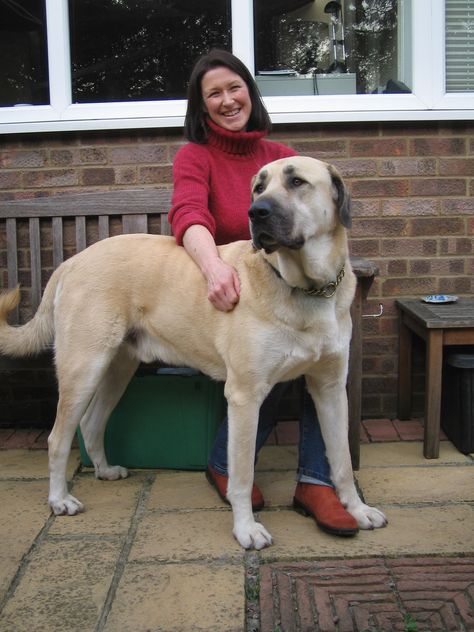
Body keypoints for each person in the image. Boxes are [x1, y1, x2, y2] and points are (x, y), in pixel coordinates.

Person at [168, 49, 358, 537]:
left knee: (322, 372)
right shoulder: (196, 155)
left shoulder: (280, 156)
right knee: (261, 372)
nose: (227, 100)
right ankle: (227, 468)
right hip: (250, 287)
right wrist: (214, 268)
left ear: (250, 92)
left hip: (310, 291)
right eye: (214, 93)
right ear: (202, 104)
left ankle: (324, 484)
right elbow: (189, 214)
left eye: (235, 88)